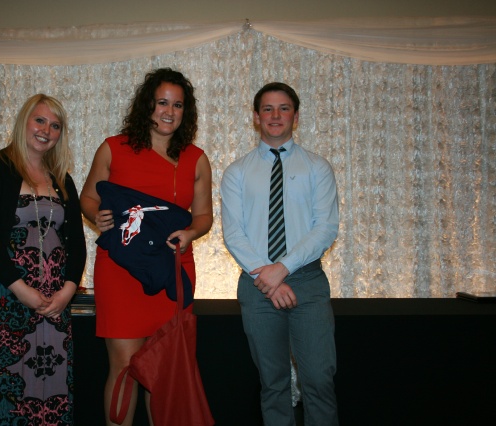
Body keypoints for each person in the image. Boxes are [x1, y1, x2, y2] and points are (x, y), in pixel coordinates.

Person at [80, 68, 213, 426]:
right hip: (120, 271)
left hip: (171, 271)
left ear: (186, 112)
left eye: (178, 105)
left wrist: (191, 233)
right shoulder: (113, 148)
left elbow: (204, 216)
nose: (169, 111)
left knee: (163, 371)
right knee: (123, 367)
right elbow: (88, 197)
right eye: (162, 103)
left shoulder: (196, 159)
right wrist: (97, 215)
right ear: (147, 105)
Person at [221, 82, 339, 426]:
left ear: (296, 116)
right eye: (268, 109)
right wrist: (267, 276)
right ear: (256, 117)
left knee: (319, 380)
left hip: (307, 283)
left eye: (284, 108)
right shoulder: (237, 172)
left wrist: (282, 268)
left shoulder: (317, 167)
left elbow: (325, 228)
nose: (275, 115)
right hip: (256, 285)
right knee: (273, 384)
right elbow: (234, 234)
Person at [0, 94, 87, 425]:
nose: (46, 130)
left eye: (55, 125)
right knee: (0, 389)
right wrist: (21, 289)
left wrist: (67, 291)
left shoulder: (62, 179)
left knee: (49, 383)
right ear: (24, 121)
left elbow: (76, 243)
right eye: (40, 120)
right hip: (1, 296)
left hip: (52, 301)